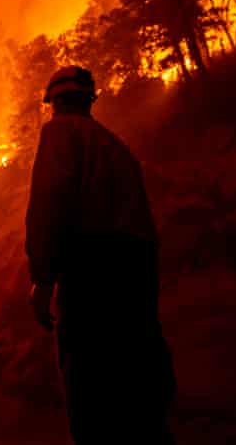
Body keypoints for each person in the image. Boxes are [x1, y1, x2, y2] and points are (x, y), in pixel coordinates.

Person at [25, 65, 175, 444]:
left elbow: (49, 202)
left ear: (54, 102)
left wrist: (43, 280)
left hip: (91, 270)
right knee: (138, 378)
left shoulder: (59, 133)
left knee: (90, 383)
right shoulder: (117, 147)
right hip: (136, 271)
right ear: (90, 99)